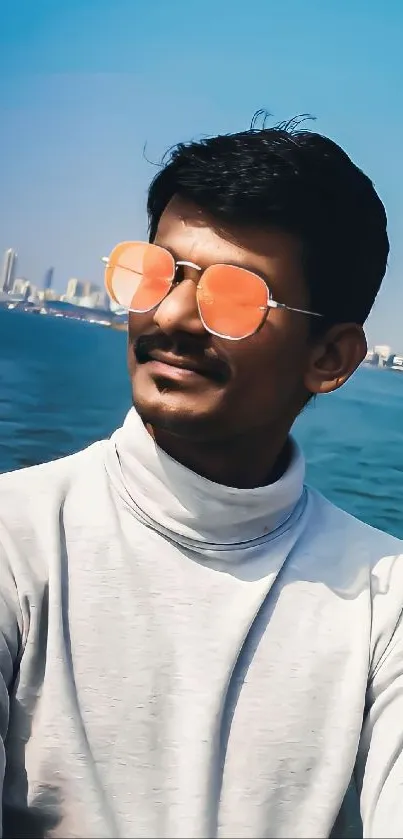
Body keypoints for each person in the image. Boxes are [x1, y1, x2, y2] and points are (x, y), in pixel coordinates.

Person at [0, 118, 402, 839]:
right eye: (157, 273)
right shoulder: (15, 539)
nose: (174, 314)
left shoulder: (385, 601)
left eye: (237, 297)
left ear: (330, 358)